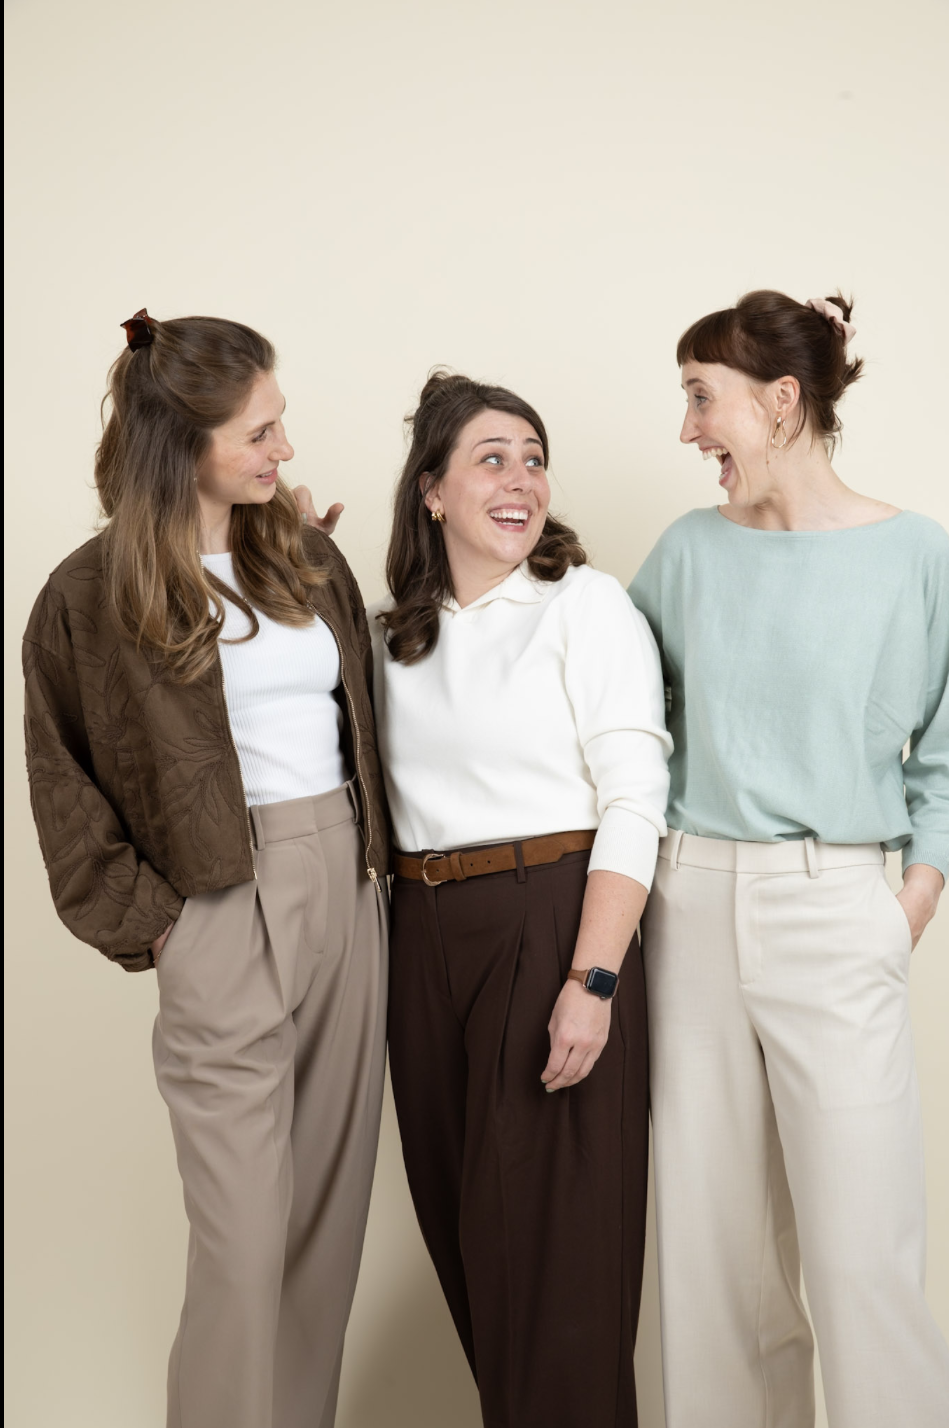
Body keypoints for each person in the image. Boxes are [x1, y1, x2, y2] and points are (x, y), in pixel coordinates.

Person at [22, 309, 389, 1428]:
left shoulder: (304, 555)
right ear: (183, 446)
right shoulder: (87, 595)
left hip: (346, 883)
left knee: (324, 1232)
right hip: (219, 903)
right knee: (242, 1243)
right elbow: (62, 781)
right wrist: (159, 925)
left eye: (280, 425)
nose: (285, 449)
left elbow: (362, 711)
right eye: (259, 434)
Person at [629, 290, 949, 1428]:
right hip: (689, 904)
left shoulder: (915, 555)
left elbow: (948, 750)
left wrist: (911, 897)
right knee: (713, 1260)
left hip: (839, 904)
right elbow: (617, 713)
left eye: (700, 398)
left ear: (781, 401)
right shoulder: (685, 553)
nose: (686, 430)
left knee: (863, 1256)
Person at [366, 371, 671, 1428]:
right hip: (420, 937)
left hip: (551, 923)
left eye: (534, 459)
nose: (521, 480)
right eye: (491, 458)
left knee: (560, 1265)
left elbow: (634, 799)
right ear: (430, 490)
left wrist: (594, 979)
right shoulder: (390, 637)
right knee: (472, 1246)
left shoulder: (584, 605)